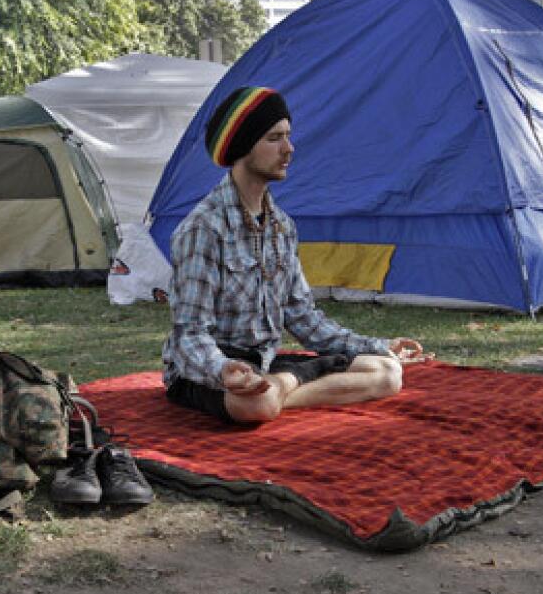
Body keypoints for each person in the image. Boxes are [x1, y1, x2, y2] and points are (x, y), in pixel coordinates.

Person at [162, 86, 430, 425]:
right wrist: (223, 370)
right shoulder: (204, 229)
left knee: (389, 372)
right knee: (254, 407)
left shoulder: (282, 227)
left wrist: (378, 345)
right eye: (275, 138)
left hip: (263, 362)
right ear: (243, 147)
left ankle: (283, 386)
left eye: (288, 136)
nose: (289, 149)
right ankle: (285, 385)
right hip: (208, 369)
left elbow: (303, 318)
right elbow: (190, 335)